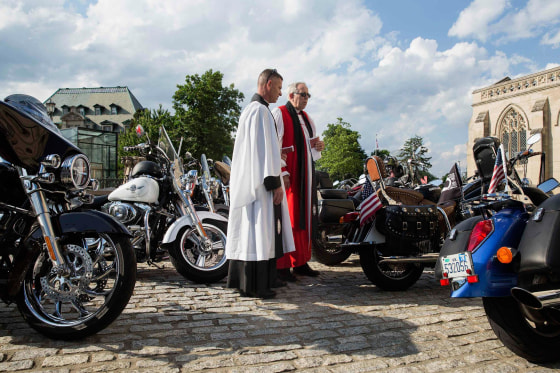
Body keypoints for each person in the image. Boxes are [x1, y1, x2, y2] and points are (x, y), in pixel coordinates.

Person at [225, 69, 295, 299]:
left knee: (253, 234)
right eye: (278, 88)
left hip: (252, 181)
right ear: (268, 83)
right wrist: (275, 184)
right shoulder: (261, 112)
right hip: (260, 186)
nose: (280, 93)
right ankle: (257, 285)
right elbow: (264, 153)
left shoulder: (251, 111)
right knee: (259, 233)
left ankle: (254, 281)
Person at [272, 82, 324, 282]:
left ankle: (300, 262)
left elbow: (312, 149)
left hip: (306, 177)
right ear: (291, 94)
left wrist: (318, 145)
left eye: (308, 95)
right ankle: (283, 265)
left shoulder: (307, 119)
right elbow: (275, 144)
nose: (306, 98)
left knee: (304, 220)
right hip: (290, 177)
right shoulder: (280, 113)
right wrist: (282, 172)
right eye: (303, 94)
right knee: (289, 220)